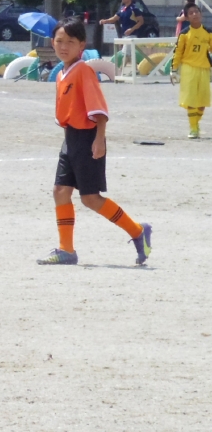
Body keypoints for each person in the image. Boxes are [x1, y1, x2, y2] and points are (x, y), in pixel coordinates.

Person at [38, 17, 151, 266]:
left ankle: (137, 231)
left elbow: (99, 111)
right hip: (71, 139)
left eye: (70, 42)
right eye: (59, 41)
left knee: (90, 198)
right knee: (60, 191)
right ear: (52, 42)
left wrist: (99, 140)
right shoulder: (61, 73)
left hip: (87, 139)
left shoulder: (83, 71)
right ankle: (66, 250)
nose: (63, 46)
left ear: (82, 45)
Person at [173, 3, 211, 139]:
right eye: (191, 13)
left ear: (201, 14)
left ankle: (196, 122)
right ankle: (193, 127)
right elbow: (178, 52)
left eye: (196, 11)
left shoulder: (208, 32)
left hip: (204, 68)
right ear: (187, 17)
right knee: (191, 99)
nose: (195, 14)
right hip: (189, 68)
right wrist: (174, 69)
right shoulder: (184, 34)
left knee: (202, 101)